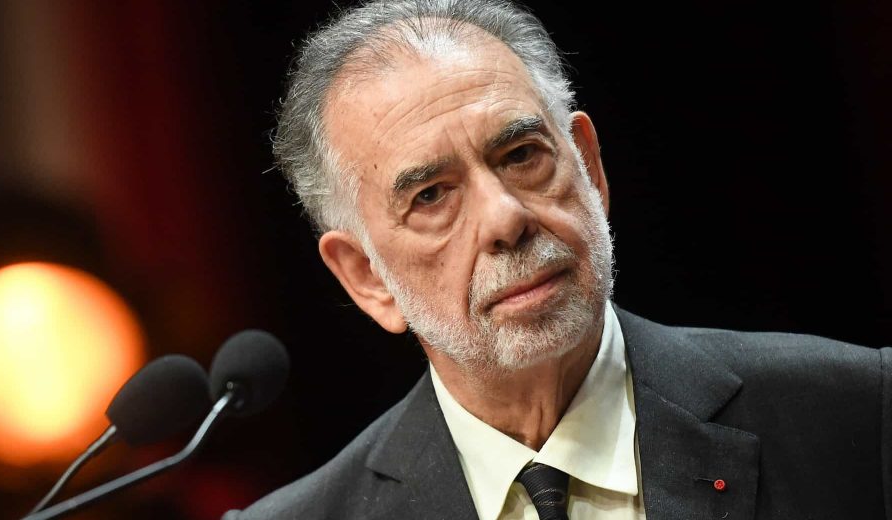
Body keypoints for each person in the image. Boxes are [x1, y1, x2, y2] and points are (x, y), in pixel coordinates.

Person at [225, 1, 892, 518]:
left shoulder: (857, 414)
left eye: (521, 156)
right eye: (431, 196)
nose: (505, 218)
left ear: (589, 168)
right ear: (368, 277)